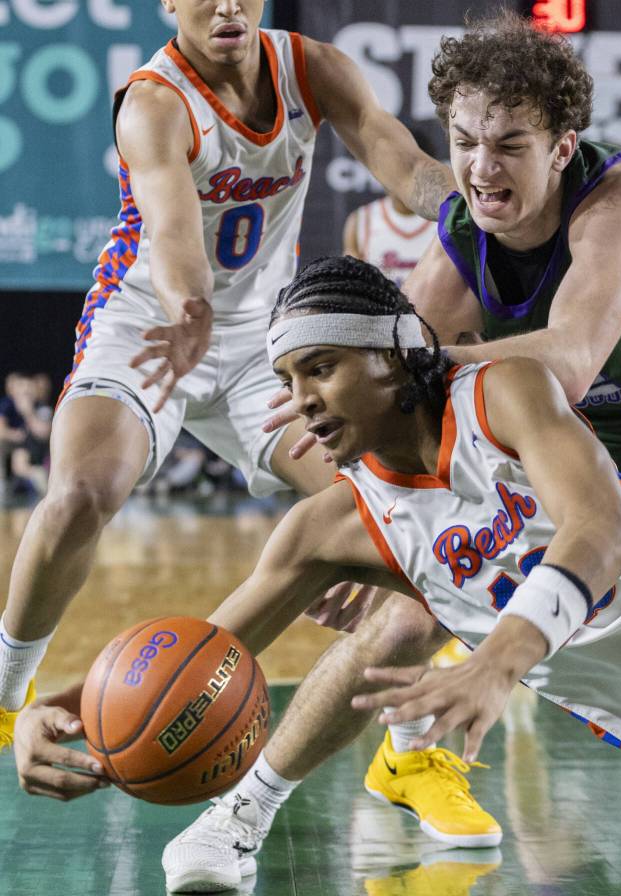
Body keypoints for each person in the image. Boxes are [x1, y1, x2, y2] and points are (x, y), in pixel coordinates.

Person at [15, 258, 621, 891]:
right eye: (282, 381)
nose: (297, 401)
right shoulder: (329, 526)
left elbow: (599, 532)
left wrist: (499, 658)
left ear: (392, 357)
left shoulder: (499, 390)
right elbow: (210, 650)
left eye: (317, 367)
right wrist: (90, 709)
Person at [239, 13, 621, 876]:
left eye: (509, 144)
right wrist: (370, 525)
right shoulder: (459, 240)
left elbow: (569, 357)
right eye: (466, 142)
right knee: (402, 612)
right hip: (574, 477)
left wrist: (417, 356)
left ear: (563, 147)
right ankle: (252, 805)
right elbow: (397, 403)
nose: (482, 168)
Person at [0, 0, 462, 790]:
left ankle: (411, 753)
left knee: (397, 516)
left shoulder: (313, 68)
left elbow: (404, 164)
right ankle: (9, 699)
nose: (225, 5)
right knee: (81, 492)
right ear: (168, 4)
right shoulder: (154, 103)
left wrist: (480, 200)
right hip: (153, 322)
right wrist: (188, 313)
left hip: (262, 346)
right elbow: (177, 237)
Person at [343, 126, 440, 288]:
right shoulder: (360, 221)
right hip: (379, 312)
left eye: (406, 167)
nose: (398, 176)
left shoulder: (445, 221)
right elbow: (351, 287)